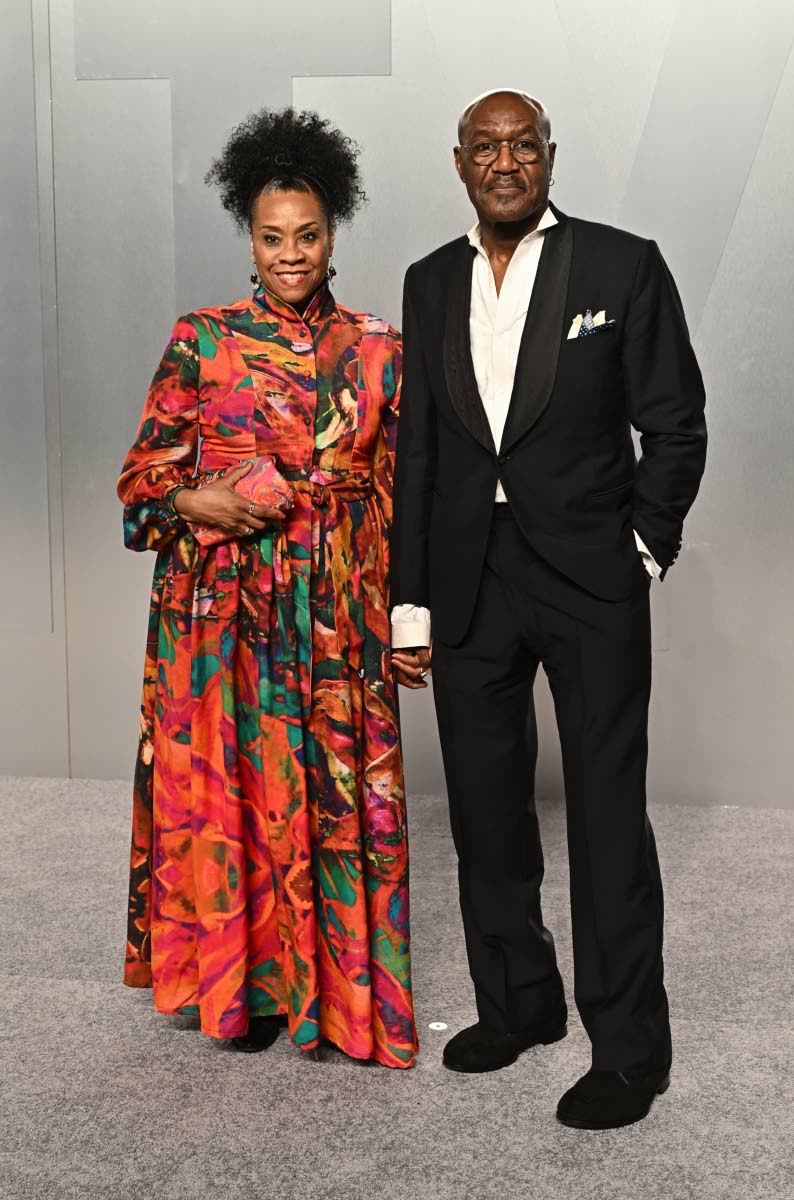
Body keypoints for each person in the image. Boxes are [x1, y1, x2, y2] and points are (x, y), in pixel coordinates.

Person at [390, 89, 706, 1125]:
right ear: (458, 164)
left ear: (547, 157)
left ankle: (626, 1050)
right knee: (484, 812)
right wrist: (410, 601)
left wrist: (641, 549)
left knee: (606, 815)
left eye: (521, 144)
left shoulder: (620, 265)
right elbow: (420, 455)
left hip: (587, 578)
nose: (504, 160)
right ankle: (517, 1004)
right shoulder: (429, 282)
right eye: (485, 147)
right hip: (469, 580)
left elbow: (675, 422)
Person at [118, 107, 417, 1069]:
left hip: (336, 613)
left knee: (329, 798)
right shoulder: (201, 341)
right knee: (237, 797)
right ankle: (243, 990)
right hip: (224, 625)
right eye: (271, 236)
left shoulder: (381, 348)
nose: (291, 255)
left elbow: (414, 497)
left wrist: (411, 616)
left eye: (310, 235)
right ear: (247, 235)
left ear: (336, 232)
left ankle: (335, 1002)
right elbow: (139, 489)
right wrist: (198, 497)